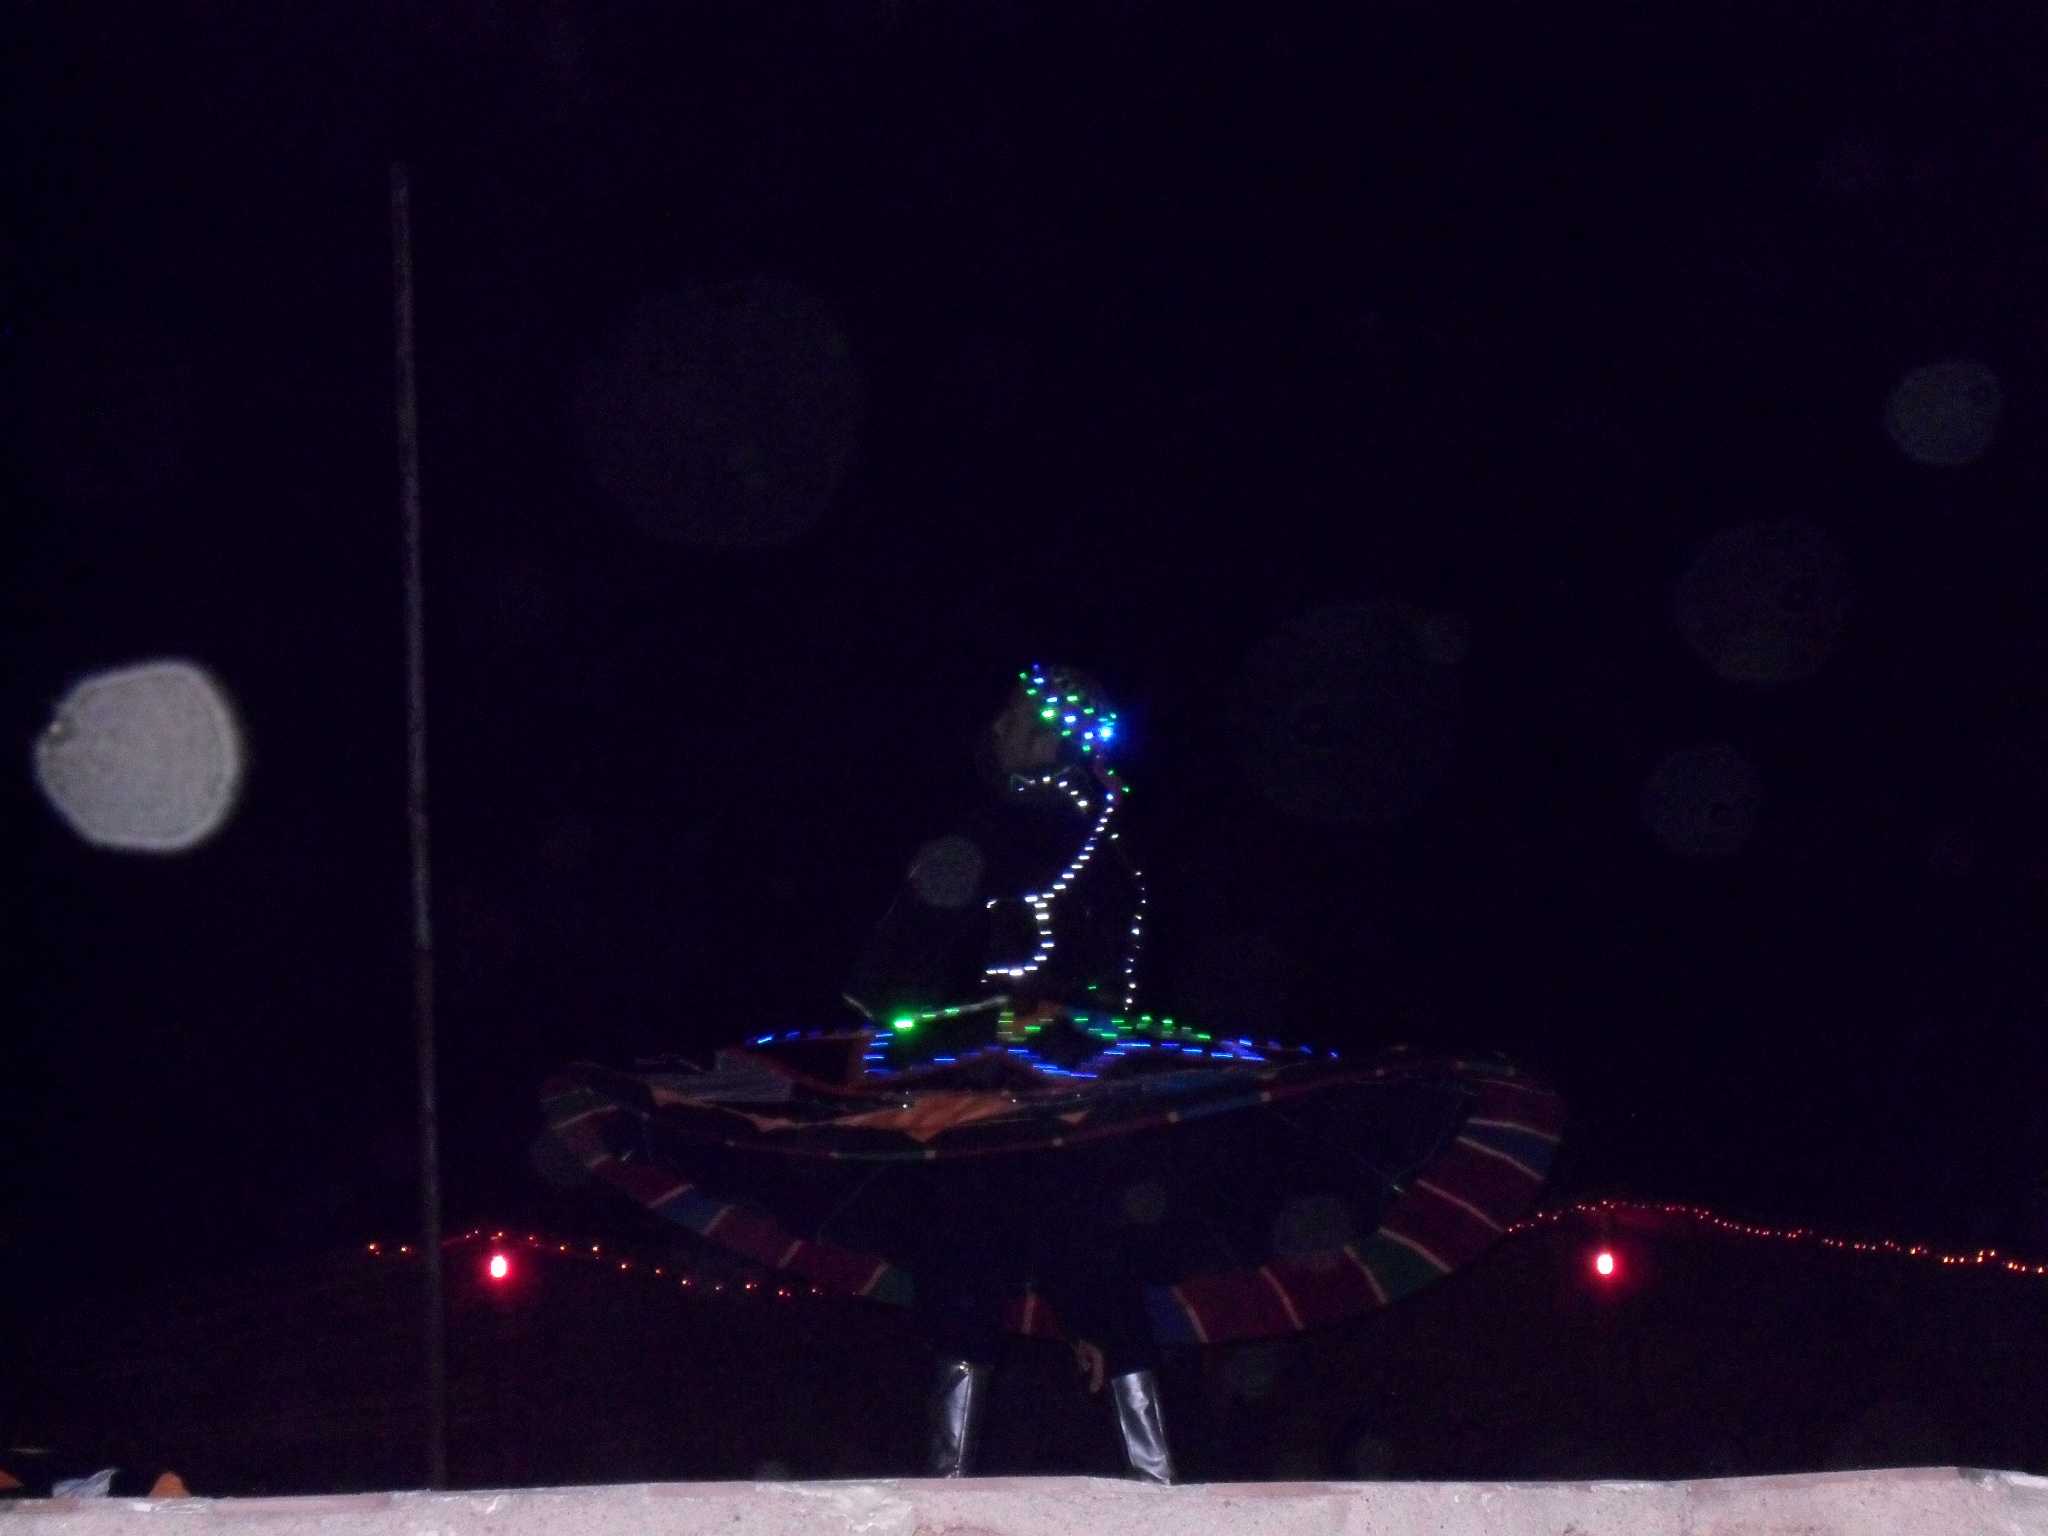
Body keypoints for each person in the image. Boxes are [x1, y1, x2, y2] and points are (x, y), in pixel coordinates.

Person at [540, 663, 1563, 1485]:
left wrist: (909, 995)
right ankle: (1114, 1476)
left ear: (1056, 734)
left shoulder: (1038, 825)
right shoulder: (1100, 837)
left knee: (996, 1250)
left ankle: (985, 1479)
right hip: (1051, 1077)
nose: (1001, 732)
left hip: (1027, 1068)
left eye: (1019, 720)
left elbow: (902, 962)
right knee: (1046, 1249)